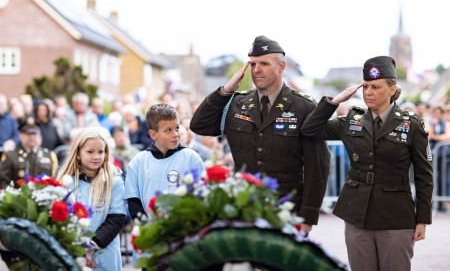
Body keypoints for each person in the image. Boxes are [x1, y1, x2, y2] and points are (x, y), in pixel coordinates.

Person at [301, 56, 433, 271]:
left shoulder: (411, 125)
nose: (368, 92)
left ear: (392, 89)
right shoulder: (352, 120)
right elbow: (310, 130)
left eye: (375, 87)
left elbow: (424, 175)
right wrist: (334, 103)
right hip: (356, 213)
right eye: (365, 87)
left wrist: (423, 219)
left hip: (396, 215)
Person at [190, 36, 330, 233]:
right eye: (253, 64)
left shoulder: (304, 107)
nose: (256, 70)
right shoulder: (236, 103)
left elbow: (318, 165)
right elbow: (199, 125)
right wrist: (226, 90)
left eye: (264, 64)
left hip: (285, 208)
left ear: (281, 67)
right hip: (243, 206)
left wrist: (307, 217)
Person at [56, 127, 125, 270]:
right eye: (90, 152)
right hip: (73, 252)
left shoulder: (114, 181)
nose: (96, 156)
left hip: (105, 253)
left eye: (101, 151)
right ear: (78, 154)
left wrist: (91, 247)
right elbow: (60, 217)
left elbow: (116, 219)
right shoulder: (65, 181)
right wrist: (77, 250)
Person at [125, 104, 205, 222]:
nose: (176, 134)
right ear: (153, 134)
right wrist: (147, 227)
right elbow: (133, 202)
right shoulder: (138, 162)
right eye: (168, 130)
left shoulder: (192, 158)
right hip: (151, 231)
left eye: (177, 128)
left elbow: (201, 194)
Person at [0, 117, 58, 188]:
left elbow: (55, 180)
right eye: (28, 134)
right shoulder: (10, 156)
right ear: (20, 136)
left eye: (34, 133)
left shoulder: (50, 156)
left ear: (40, 136)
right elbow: (3, 183)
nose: (32, 137)